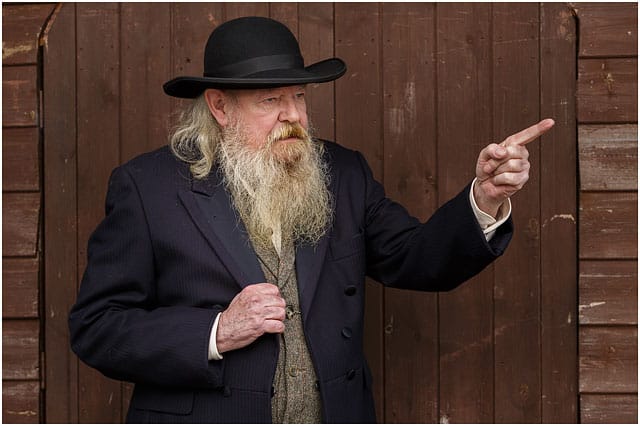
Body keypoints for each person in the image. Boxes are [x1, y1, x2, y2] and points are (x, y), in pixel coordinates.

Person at [69, 16, 554, 424]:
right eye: (270, 100)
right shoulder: (148, 187)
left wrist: (486, 197)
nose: (293, 115)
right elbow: (97, 327)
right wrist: (215, 332)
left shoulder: (343, 173)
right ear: (219, 106)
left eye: (298, 97)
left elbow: (417, 260)